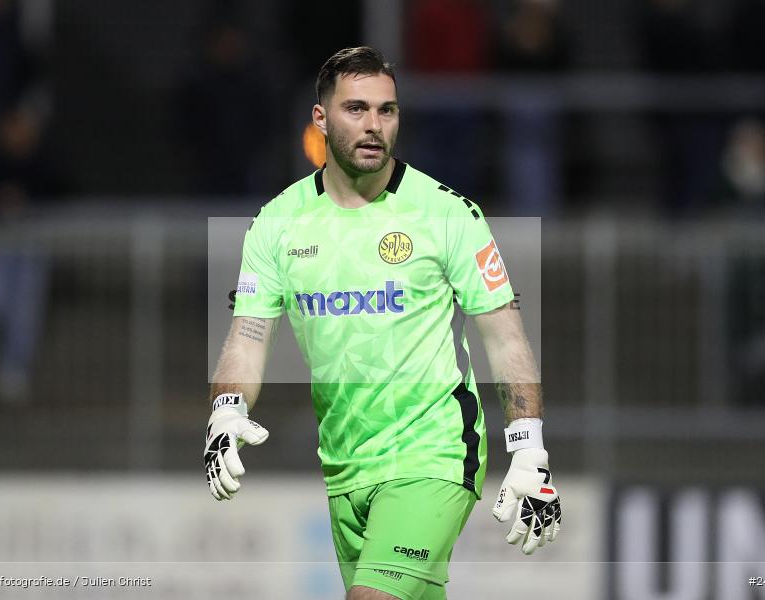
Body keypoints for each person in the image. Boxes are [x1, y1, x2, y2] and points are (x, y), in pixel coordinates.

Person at [204, 47, 562, 600]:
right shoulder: (277, 223)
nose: (374, 125)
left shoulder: (447, 214)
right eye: (356, 109)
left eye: (386, 110)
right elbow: (248, 337)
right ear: (320, 119)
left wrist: (529, 449)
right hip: (345, 466)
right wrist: (226, 413)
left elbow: (506, 338)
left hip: (435, 454)